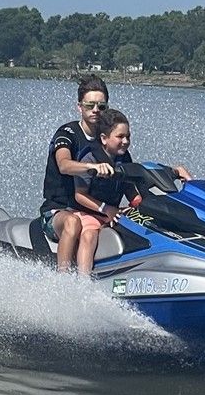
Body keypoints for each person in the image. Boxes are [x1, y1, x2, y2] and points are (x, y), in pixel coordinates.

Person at [40, 75, 114, 272]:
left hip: (91, 211)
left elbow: (128, 167)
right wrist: (93, 167)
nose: (96, 110)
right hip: (58, 210)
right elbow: (64, 165)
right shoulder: (67, 134)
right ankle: (63, 279)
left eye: (101, 106)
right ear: (79, 107)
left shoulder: (107, 138)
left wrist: (173, 171)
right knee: (73, 222)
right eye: (90, 105)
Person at [72, 108, 135, 275]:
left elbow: (130, 188)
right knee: (89, 236)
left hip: (112, 213)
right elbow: (79, 195)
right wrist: (106, 209)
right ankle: (83, 281)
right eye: (120, 137)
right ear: (104, 139)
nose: (126, 141)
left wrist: (138, 204)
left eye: (128, 136)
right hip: (89, 213)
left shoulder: (125, 158)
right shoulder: (90, 159)